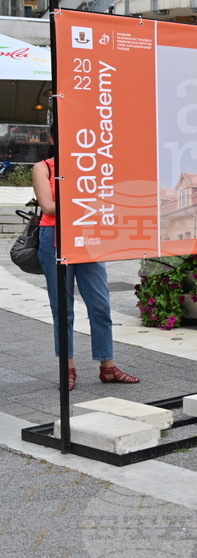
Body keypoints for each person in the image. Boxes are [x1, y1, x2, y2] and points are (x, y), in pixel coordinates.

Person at [32, 126, 139, 391]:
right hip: (53, 238)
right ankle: (67, 368)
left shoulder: (90, 168)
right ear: (53, 139)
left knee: (101, 306)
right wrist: (88, 203)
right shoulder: (43, 167)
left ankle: (108, 367)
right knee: (62, 310)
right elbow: (48, 207)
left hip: (88, 238)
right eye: (62, 135)